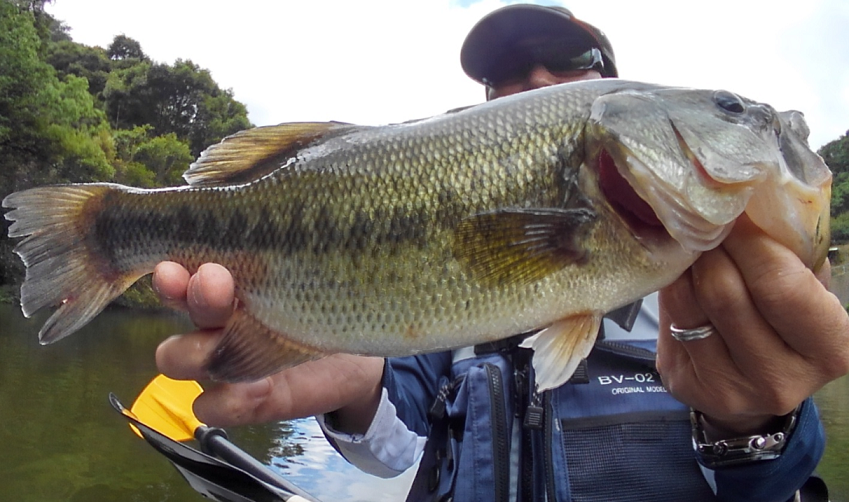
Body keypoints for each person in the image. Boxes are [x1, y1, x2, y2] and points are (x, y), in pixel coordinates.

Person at [152, 5, 849, 501]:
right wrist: (356, 388)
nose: (537, 81)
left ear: (612, 86)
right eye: (506, 74)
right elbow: (392, 450)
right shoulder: (444, 299)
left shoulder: (704, 294)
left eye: (570, 63)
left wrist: (753, 423)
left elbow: (774, 485)